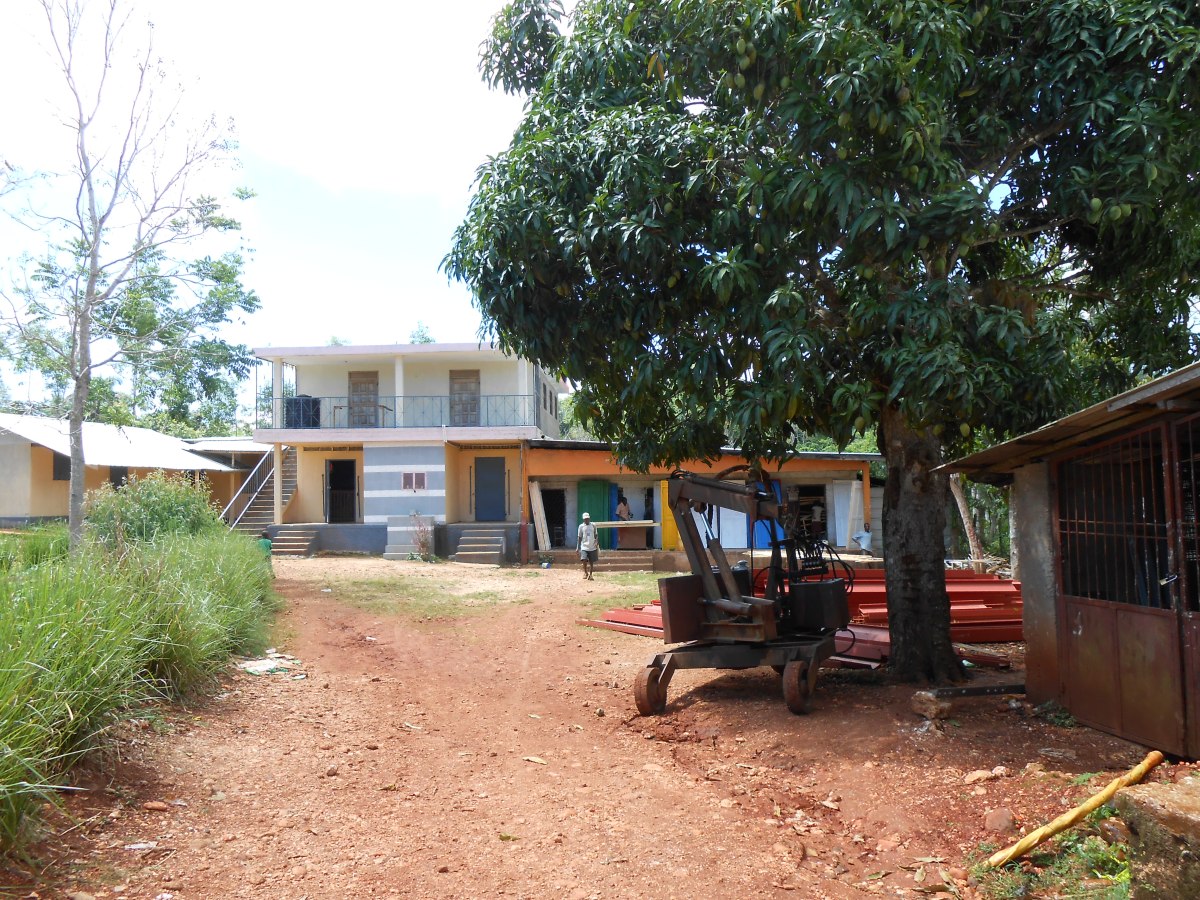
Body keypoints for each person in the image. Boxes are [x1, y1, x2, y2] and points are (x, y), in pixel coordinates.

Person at [577, 512, 599, 580]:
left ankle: (591, 574)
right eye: (585, 519)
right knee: (584, 559)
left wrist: (596, 542)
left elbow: (596, 535)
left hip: (592, 547)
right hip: (584, 546)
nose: (586, 520)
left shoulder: (593, 525)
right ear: (583, 519)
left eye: (587, 518)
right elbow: (579, 537)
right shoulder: (581, 526)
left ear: (589, 518)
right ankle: (585, 572)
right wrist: (577, 547)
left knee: (591, 562)